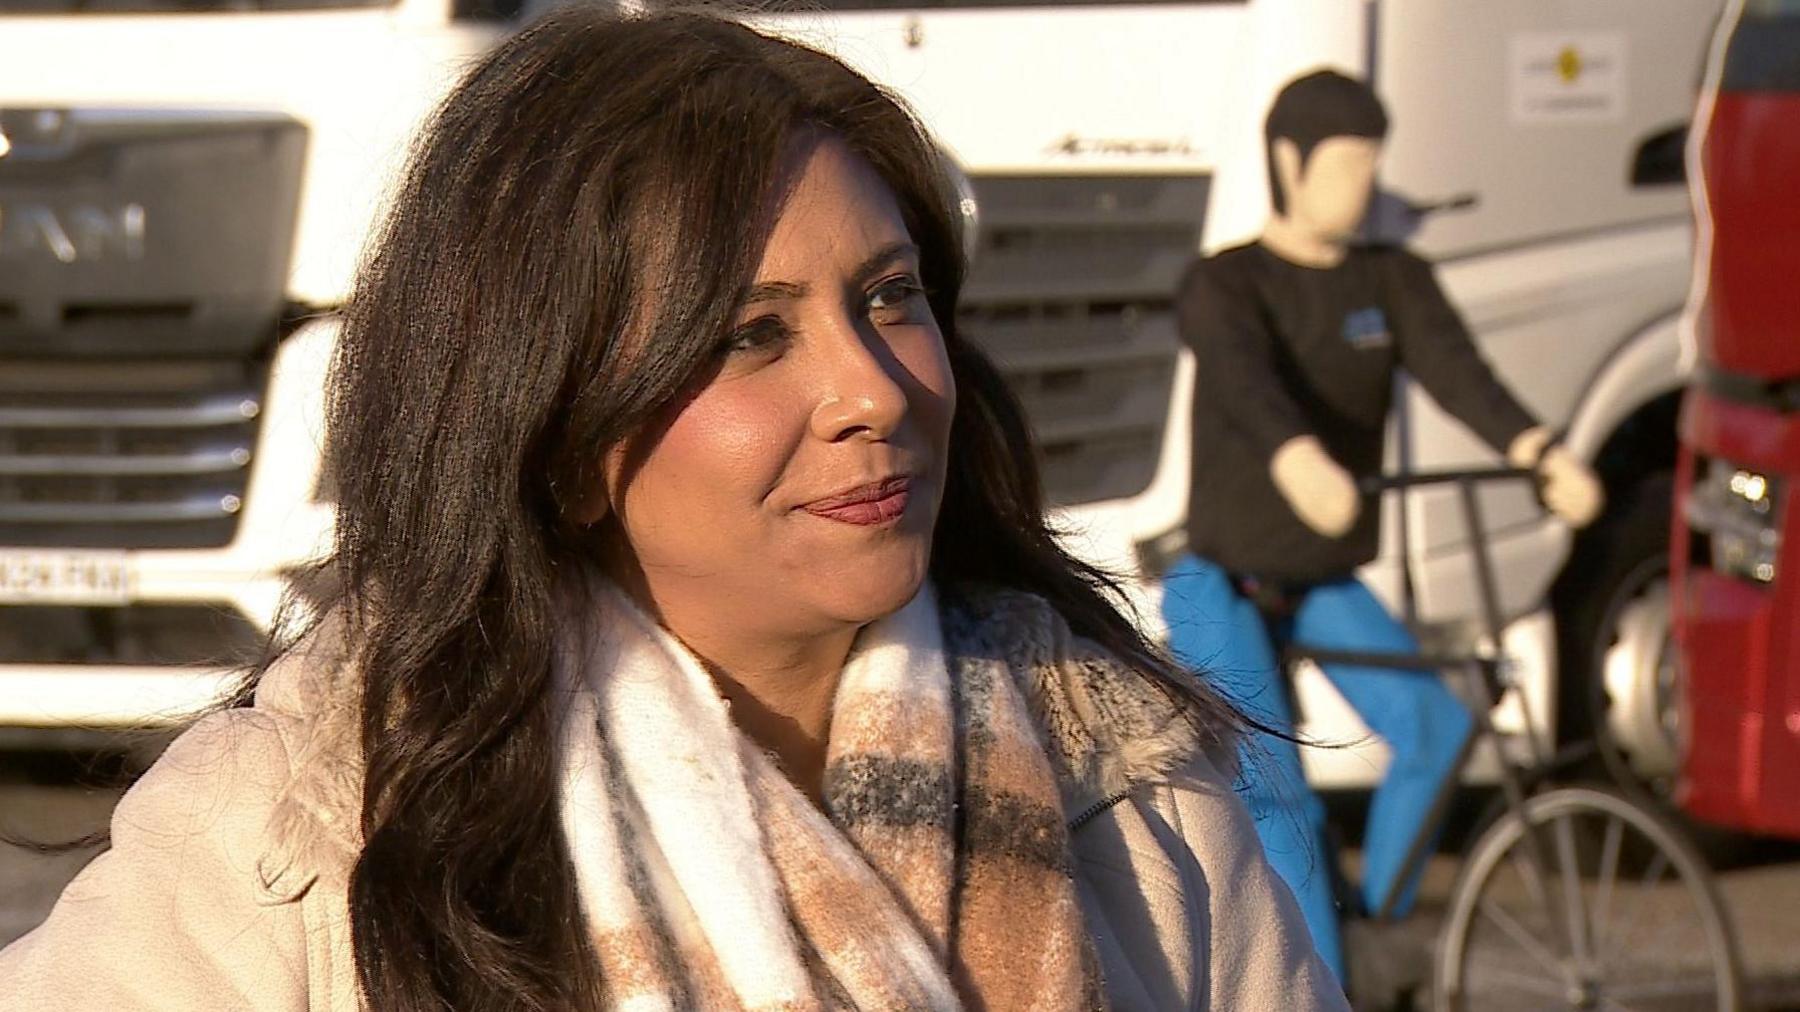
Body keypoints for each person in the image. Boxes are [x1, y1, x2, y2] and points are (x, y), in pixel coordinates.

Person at [0, 11, 1346, 1011]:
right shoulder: (303, 834)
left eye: (890, 297)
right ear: (557, 431)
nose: (870, 390)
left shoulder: (1138, 797)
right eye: (751, 338)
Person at [1161, 69, 1603, 987]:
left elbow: (1457, 370)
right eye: (1345, 161)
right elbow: (1245, 379)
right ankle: (1319, 993)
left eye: (1374, 162)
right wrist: (1298, 460)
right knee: (1281, 799)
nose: (1363, 181)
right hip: (1222, 575)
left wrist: (1540, 451)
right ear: (1289, 161)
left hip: (1321, 575)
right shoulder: (1226, 284)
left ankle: (1369, 935)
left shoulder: (1390, 280)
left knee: (1438, 727)